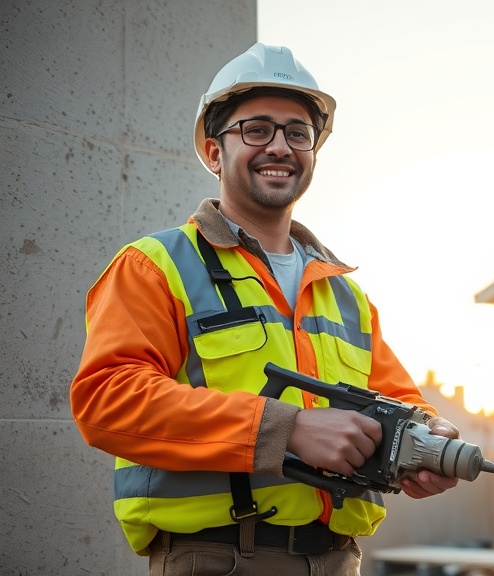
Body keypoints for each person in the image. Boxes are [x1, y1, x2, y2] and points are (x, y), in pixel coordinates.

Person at [70, 43, 459, 576]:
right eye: (256, 129)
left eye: (298, 133)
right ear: (213, 153)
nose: (280, 146)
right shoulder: (155, 265)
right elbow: (107, 398)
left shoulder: (345, 295)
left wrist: (426, 438)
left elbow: (395, 398)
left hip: (338, 561)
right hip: (217, 559)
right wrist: (287, 428)